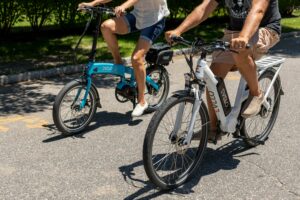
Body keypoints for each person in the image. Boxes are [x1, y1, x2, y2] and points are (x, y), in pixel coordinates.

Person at [165, 0, 281, 141]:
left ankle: (256, 93)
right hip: (235, 33)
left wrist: (244, 36)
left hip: (265, 29)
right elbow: (204, 8)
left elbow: (258, 10)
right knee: (212, 76)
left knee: (240, 51)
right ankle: (213, 129)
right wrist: (179, 30)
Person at [78, 0, 170, 117]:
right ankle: (118, 63)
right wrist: (93, 3)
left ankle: (142, 101)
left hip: (155, 20)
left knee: (136, 59)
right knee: (106, 27)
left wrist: (123, 6)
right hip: (138, 16)